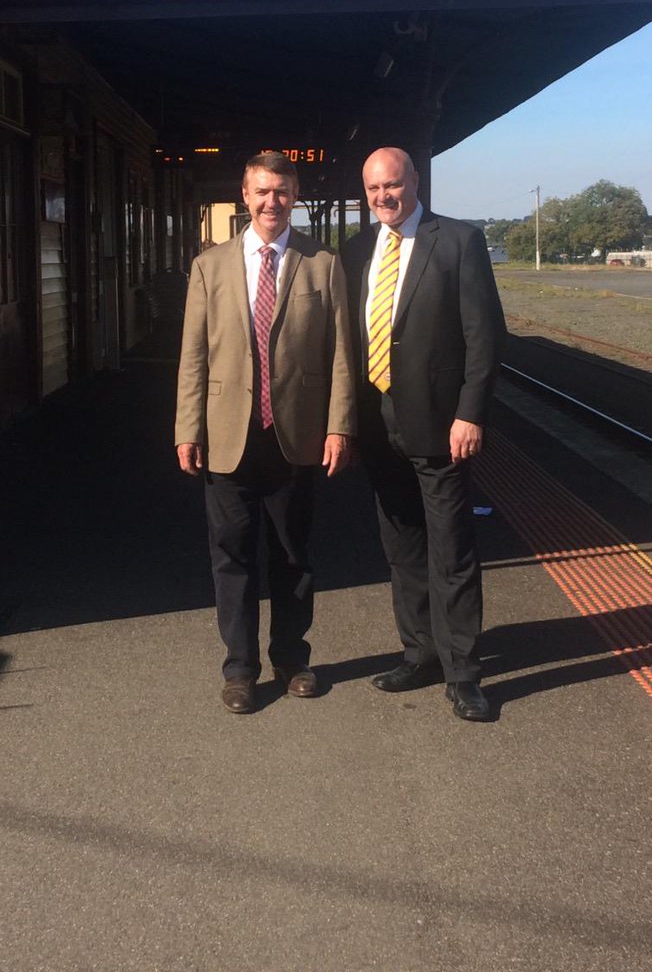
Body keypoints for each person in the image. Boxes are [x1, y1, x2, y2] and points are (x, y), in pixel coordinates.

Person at [175, 151, 355, 714]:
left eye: (281, 191)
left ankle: (292, 659)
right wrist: (188, 427)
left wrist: (340, 426)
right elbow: (194, 356)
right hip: (228, 435)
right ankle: (240, 669)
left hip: (295, 434)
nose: (271, 201)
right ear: (246, 195)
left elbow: (342, 355)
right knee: (232, 558)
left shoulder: (321, 263)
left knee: (292, 555)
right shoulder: (210, 265)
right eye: (261, 191)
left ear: (294, 194)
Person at [341, 147, 506, 722]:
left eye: (393, 185)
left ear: (414, 182)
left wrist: (471, 413)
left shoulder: (458, 241)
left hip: (441, 423)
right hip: (377, 420)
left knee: (452, 548)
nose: (384, 197)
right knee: (402, 545)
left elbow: (485, 337)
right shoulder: (357, 251)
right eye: (373, 189)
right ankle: (420, 653)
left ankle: (464, 672)